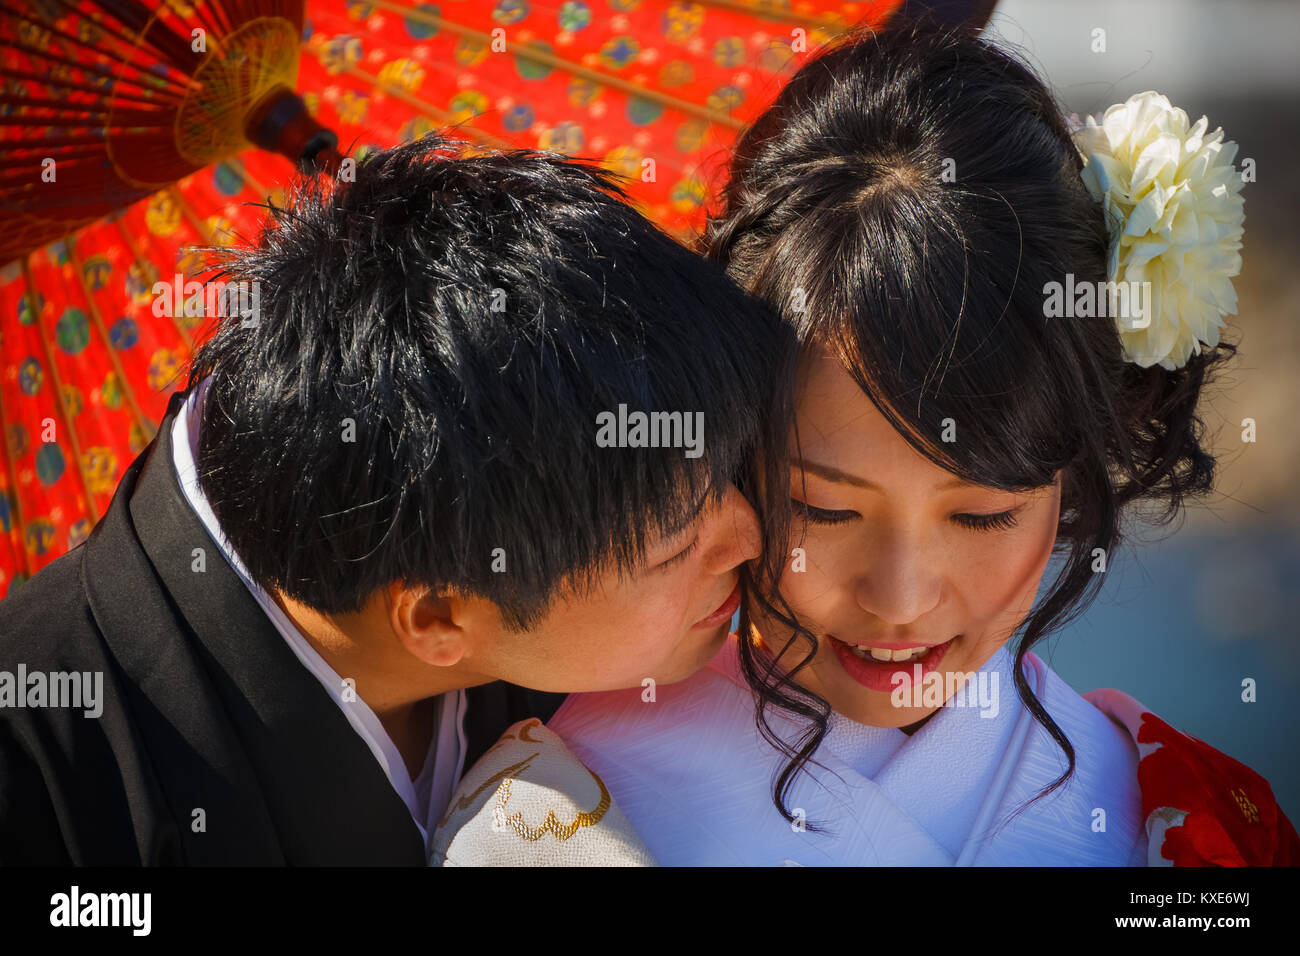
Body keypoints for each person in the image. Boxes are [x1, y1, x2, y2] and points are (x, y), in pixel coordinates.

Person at [434, 22, 1298, 866]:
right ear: (735, 449)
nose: (898, 599)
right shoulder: (546, 818)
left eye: (984, 515)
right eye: (825, 505)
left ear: (1072, 474)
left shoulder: (1205, 829)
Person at [0, 134, 788, 864]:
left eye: (729, 473)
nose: (753, 535)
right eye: (677, 546)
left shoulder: (497, 533)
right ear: (439, 618)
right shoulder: (44, 781)